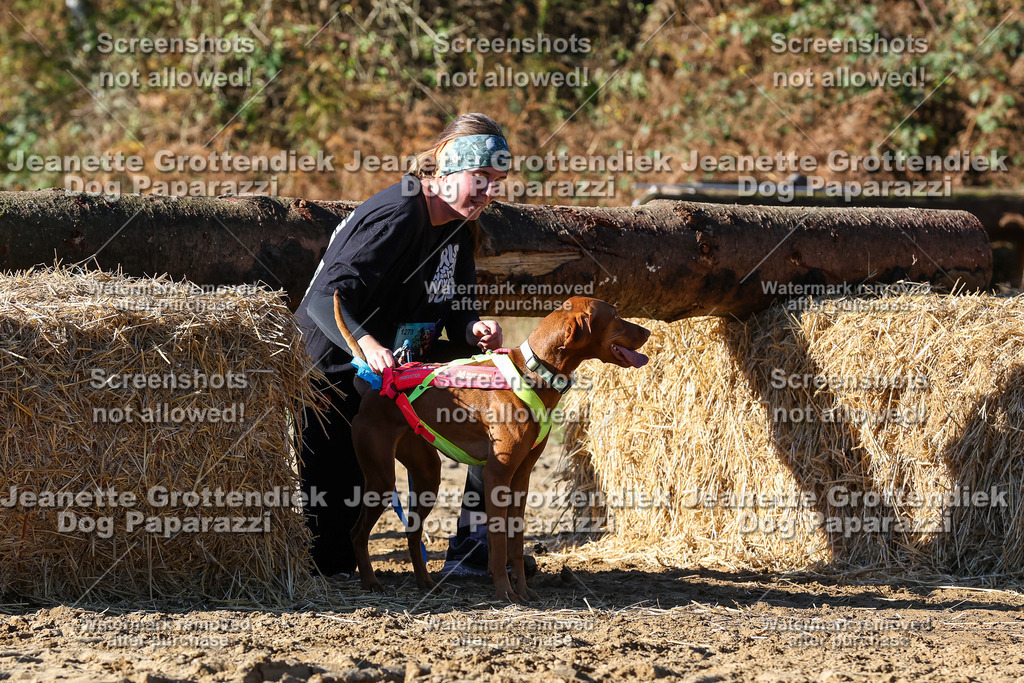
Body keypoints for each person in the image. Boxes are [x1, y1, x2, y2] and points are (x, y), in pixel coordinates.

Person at [295, 112, 509, 578]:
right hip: (333, 374)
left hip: (403, 365)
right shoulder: (400, 212)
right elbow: (324, 300)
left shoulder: (459, 224)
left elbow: (458, 311)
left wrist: (474, 330)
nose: (490, 192)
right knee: (329, 559)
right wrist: (367, 345)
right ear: (447, 168)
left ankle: (475, 546)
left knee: (501, 382)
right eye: (481, 177)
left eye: (497, 182)